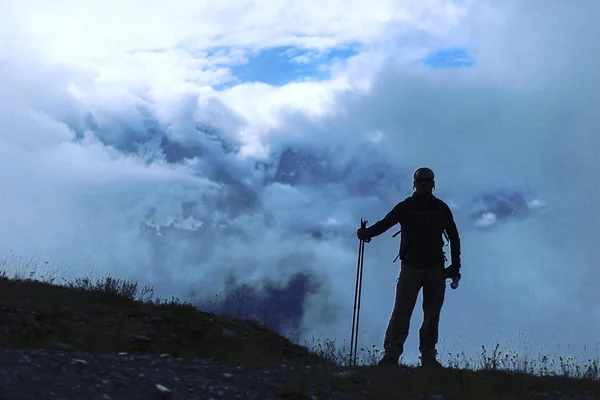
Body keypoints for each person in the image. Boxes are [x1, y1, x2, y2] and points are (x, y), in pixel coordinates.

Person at [356, 167, 461, 368]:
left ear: (432, 184)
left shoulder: (409, 206)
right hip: (432, 268)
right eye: (422, 180)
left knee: (410, 312)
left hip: (416, 268)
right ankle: (424, 358)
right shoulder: (439, 208)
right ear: (415, 183)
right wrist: (454, 267)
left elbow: (385, 223)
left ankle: (394, 355)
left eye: (427, 180)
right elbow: (454, 237)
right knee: (424, 313)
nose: (424, 184)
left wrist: (366, 233)